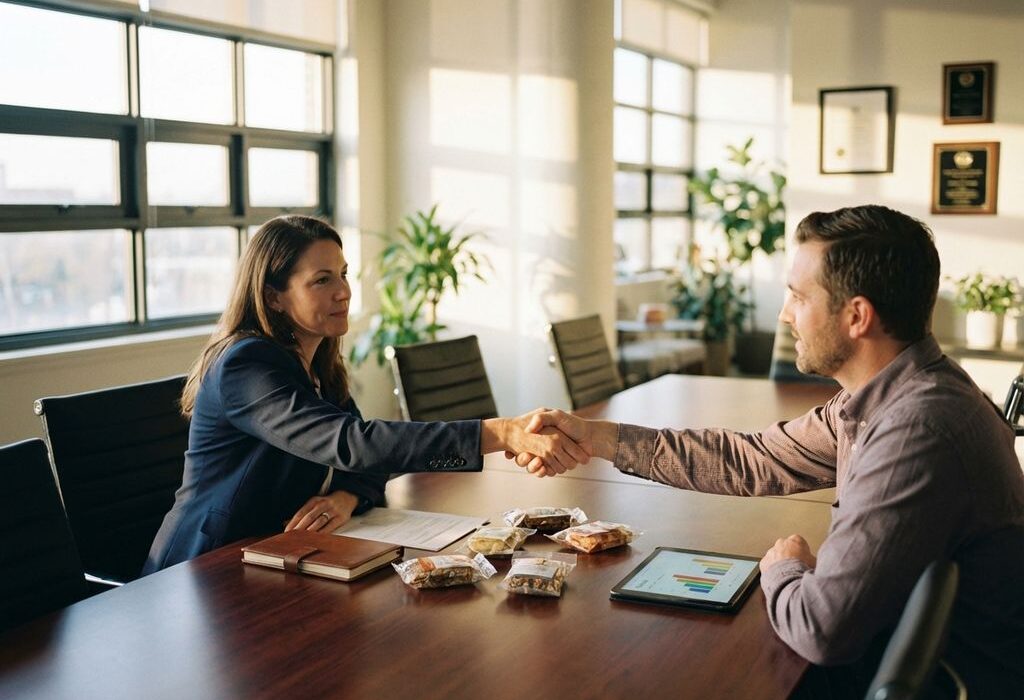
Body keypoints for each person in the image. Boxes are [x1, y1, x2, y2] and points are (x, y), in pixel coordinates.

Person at [520, 205, 1024, 698]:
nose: (785, 315)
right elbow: (752, 458)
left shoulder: (916, 431)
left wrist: (784, 568)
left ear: (857, 316)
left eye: (797, 297)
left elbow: (820, 627)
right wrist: (599, 439)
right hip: (899, 652)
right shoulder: (887, 397)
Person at [143, 215, 584, 574]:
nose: (344, 291)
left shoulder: (317, 364)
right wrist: (499, 433)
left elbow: (367, 457)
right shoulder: (247, 364)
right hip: (203, 570)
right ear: (274, 297)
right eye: (321, 280)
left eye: (344, 274)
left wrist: (346, 497)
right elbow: (353, 444)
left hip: (279, 555)